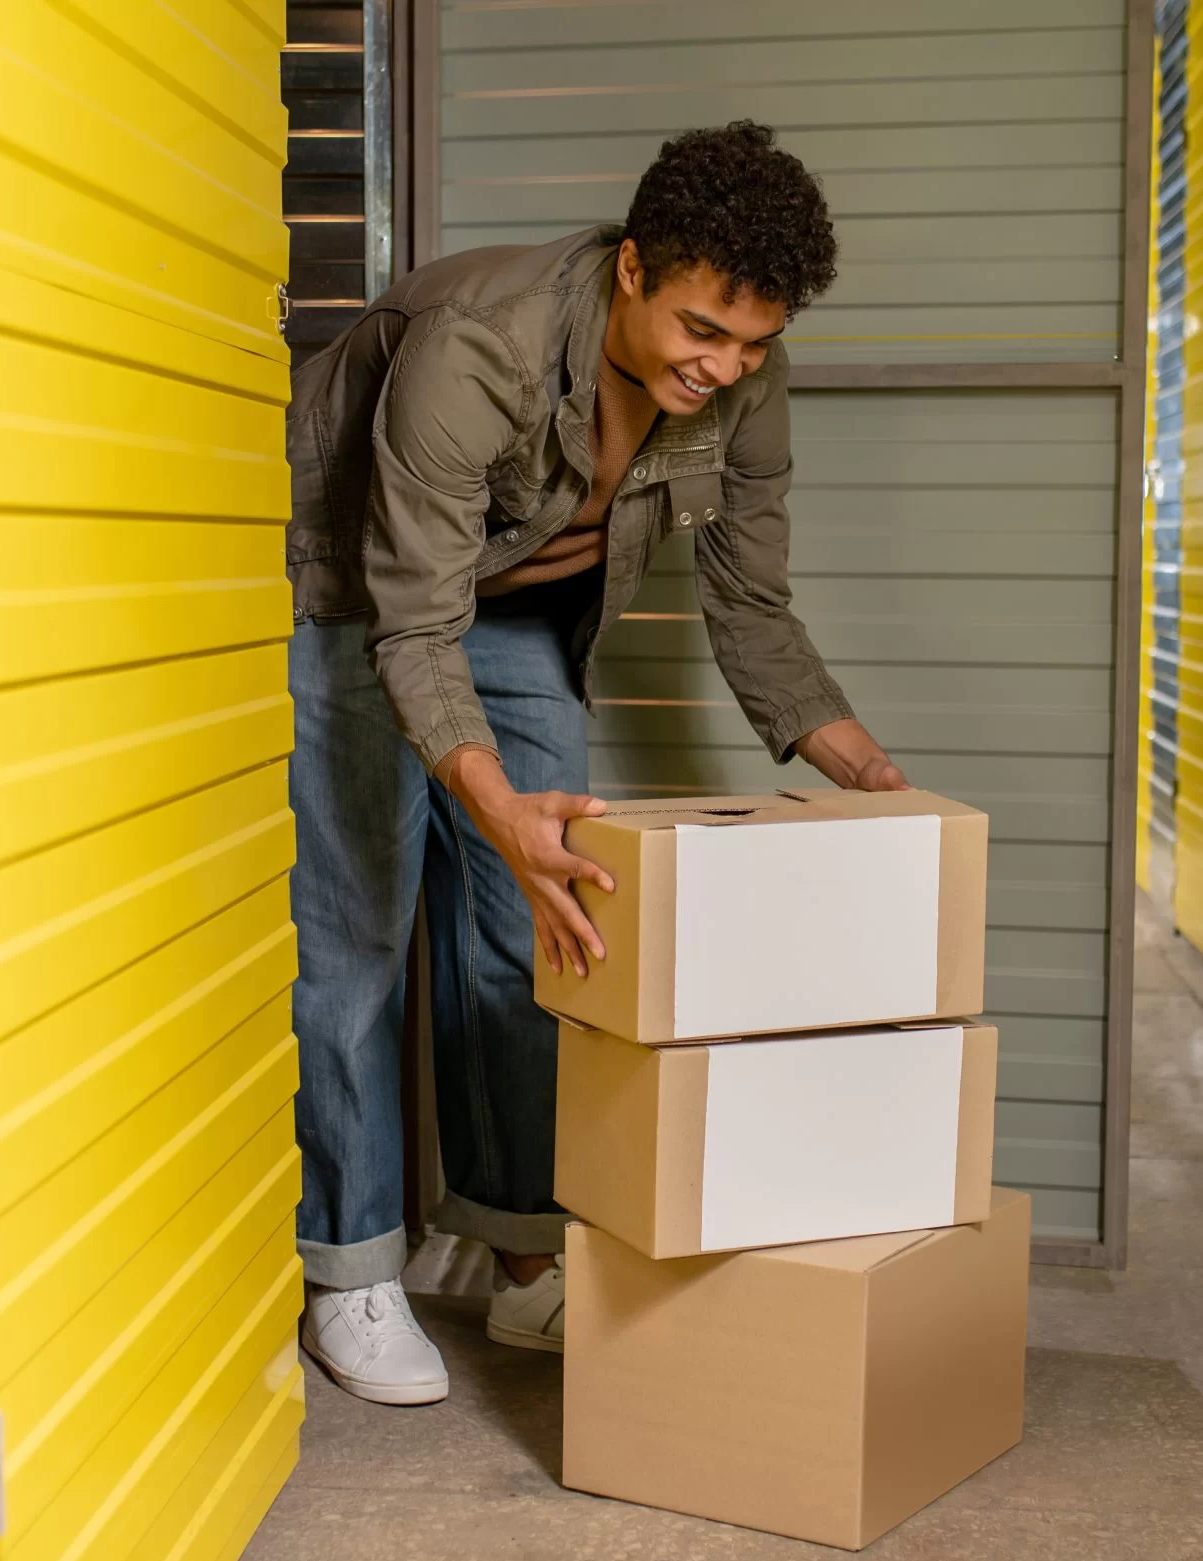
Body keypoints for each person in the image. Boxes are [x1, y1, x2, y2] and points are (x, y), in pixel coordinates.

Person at [284, 121, 911, 1406]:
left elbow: (751, 601)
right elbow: (413, 617)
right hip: (359, 596)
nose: (724, 367)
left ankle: (521, 1255)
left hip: (520, 613)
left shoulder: (745, 377)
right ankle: (349, 1268)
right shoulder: (481, 344)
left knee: (539, 933)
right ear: (632, 270)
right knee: (358, 925)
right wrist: (493, 798)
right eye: (701, 330)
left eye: (754, 342)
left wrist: (862, 772)